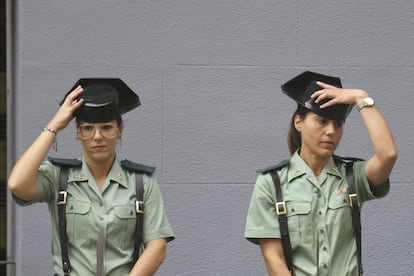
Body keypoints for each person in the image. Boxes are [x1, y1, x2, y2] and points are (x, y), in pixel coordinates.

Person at [8, 78, 174, 276]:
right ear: (78, 132)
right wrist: (53, 126)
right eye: (87, 128)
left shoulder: (141, 182)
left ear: (119, 130)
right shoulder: (59, 177)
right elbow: (17, 184)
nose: (97, 137)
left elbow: (157, 247)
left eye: (106, 127)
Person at [244, 71, 397, 275]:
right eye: (321, 121)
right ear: (299, 122)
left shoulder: (353, 176)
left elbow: (388, 154)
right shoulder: (272, 183)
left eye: (338, 124)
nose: (331, 131)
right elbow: (273, 257)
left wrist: (361, 97)